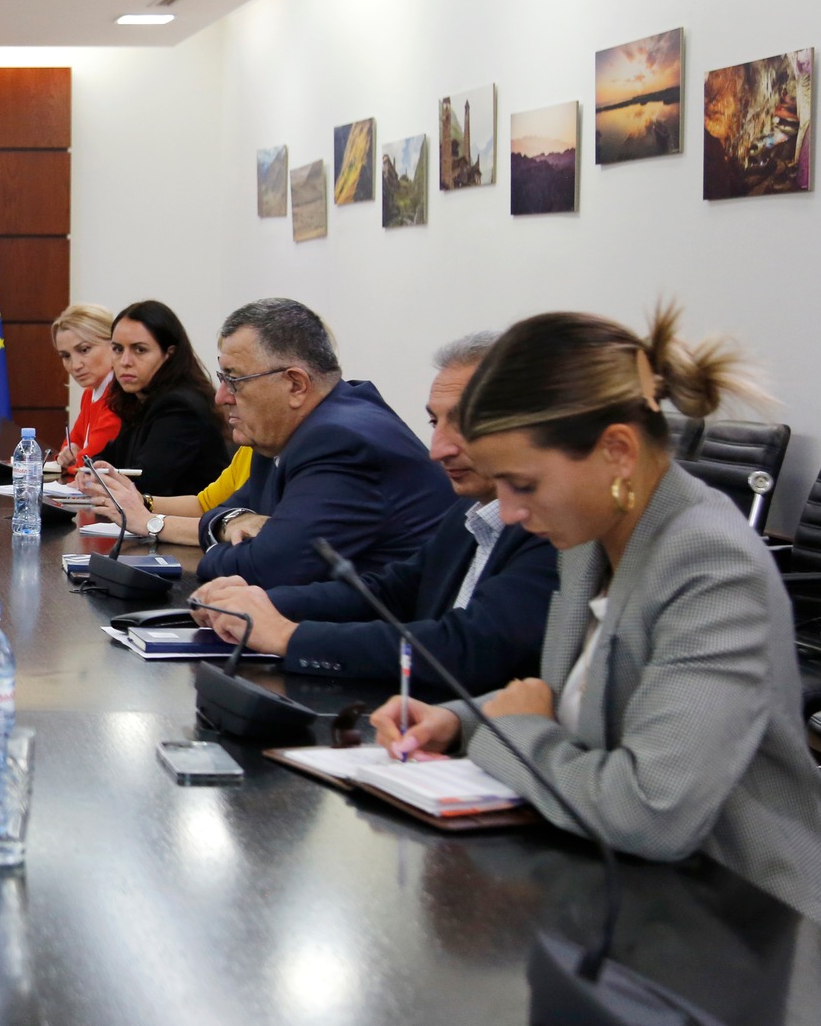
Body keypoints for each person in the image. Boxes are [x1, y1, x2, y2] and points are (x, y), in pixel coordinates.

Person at [370, 307, 821, 921]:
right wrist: (457, 719)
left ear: (617, 451)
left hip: (736, 920)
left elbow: (650, 812)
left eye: (524, 485)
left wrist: (507, 733)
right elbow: (575, 700)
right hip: (616, 895)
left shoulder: (712, 566)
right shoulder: (591, 537)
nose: (509, 513)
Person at [192, 332, 557, 694]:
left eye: (464, 425)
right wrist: (258, 604)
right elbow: (391, 591)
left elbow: (471, 646)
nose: (438, 450)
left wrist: (290, 636)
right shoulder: (470, 509)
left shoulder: (550, 526)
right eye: (435, 423)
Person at [192, 298, 455, 586]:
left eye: (234, 380)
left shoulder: (342, 442)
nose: (221, 397)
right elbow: (219, 513)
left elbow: (267, 569)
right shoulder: (279, 434)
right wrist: (229, 522)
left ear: (296, 385)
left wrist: (212, 553)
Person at [91, 301, 232, 496]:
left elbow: (145, 484)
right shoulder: (138, 398)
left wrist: (97, 478)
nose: (125, 361)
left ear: (169, 354)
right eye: (117, 349)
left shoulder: (180, 407)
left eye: (140, 350)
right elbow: (108, 459)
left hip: (186, 515)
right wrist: (90, 472)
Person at [77, 445, 251, 546]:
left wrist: (150, 523)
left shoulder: (178, 406)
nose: (221, 398)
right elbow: (203, 505)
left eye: (234, 392)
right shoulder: (248, 451)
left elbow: (230, 528)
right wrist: (141, 501)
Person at [49, 304, 121, 476]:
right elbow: (71, 445)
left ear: (113, 344)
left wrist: (72, 460)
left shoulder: (120, 396)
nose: (75, 365)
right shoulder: (90, 393)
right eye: (66, 356)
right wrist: (68, 455)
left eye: (84, 350)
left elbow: (88, 463)